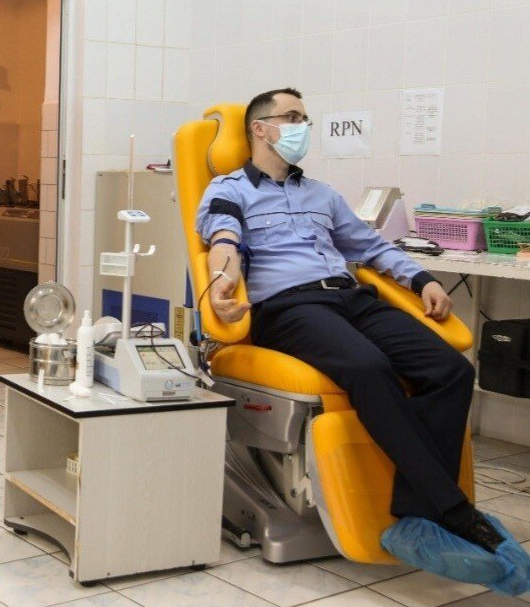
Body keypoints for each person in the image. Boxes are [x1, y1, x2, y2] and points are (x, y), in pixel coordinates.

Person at [195, 88, 504, 553]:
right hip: (289, 308)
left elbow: (371, 247)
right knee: (369, 368)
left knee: (452, 371)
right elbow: (223, 240)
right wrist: (222, 282)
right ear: (260, 129)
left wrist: (423, 280)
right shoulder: (230, 188)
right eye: (293, 117)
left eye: (305, 119)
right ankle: (451, 509)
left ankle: (415, 503)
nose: (303, 127)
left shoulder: (323, 194)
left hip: (352, 299)